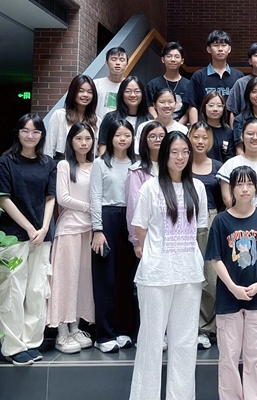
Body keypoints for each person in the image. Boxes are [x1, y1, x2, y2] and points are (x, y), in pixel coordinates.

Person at [128, 131, 207, 400]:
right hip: (156, 275)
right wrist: (156, 254)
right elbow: (140, 228)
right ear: (164, 155)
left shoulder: (198, 187)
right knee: (151, 343)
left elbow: (199, 228)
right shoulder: (150, 187)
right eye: (174, 152)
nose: (180, 157)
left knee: (185, 343)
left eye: (185, 152)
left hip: (189, 273)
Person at [205, 166, 257, 400]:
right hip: (228, 298)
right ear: (231, 189)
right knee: (228, 357)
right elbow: (216, 258)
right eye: (239, 184)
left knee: (255, 356)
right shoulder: (221, 221)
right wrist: (232, 287)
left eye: (249, 184)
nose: (245, 188)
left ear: (256, 188)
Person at [0, 113, 57, 365]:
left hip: (42, 236)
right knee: (12, 290)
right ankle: (13, 346)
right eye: (25, 131)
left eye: (36, 131)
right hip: (14, 236)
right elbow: (3, 199)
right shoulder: (6, 162)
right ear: (18, 133)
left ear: (42, 135)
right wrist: (29, 228)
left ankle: (30, 342)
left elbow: (51, 197)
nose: (30, 135)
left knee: (37, 290)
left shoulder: (48, 163)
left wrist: (44, 227)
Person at [46, 123, 95, 354]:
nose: (84, 143)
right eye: (79, 139)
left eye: (88, 138)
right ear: (71, 141)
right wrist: (89, 207)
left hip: (90, 230)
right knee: (65, 280)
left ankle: (75, 328)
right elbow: (63, 198)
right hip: (69, 229)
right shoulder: (64, 165)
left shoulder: (96, 166)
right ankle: (62, 332)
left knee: (82, 281)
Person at [90, 119, 137, 353]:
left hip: (131, 219)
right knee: (105, 279)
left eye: (127, 135)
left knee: (125, 278)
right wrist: (97, 230)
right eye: (118, 135)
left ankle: (122, 330)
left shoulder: (137, 164)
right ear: (110, 137)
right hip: (107, 219)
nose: (122, 139)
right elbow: (95, 197)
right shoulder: (100, 163)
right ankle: (104, 335)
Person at [189, 121, 224, 350]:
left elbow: (223, 201)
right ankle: (189, 327)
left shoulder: (218, 166)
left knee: (210, 278)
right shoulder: (181, 164)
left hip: (211, 220)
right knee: (188, 277)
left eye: (205, 137)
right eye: (196, 137)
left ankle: (206, 327)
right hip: (184, 220)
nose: (200, 141)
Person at [218, 118, 257, 212]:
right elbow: (227, 198)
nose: (255, 137)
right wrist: (242, 216)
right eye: (250, 134)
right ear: (242, 136)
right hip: (235, 217)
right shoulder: (230, 164)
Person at [126, 121, 167, 258]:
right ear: (144, 140)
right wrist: (136, 241)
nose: (158, 140)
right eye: (152, 136)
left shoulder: (173, 167)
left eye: (162, 136)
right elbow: (133, 207)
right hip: (147, 233)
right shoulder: (137, 171)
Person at [187, 30, 244, 125]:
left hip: (230, 129)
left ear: (229, 49)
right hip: (204, 128)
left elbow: (241, 107)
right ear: (209, 49)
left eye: (224, 45)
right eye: (216, 45)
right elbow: (193, 106)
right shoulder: (199, 76)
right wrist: (195, 129)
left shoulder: (238, 76)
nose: (220, 49)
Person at [45, 74, 100, 159]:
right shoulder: (60, 115)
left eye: (90, 92)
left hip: (87, 164)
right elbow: (49, 147)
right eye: (81, 91)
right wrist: (48, 165)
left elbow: (96, 150)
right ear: (73, 92)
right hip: (62, 161)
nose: (85, 95)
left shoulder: (96, 120)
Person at [98, 76, 152, 155]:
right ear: (121, 94)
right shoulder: (110, 118)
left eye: (137, 91)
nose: (133, 95)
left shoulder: (149, 119)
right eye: (128, 91)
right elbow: (103, 145)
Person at [134, 88, 188, 155]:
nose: (166, 105)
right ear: (154, 105)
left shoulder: (183, 129)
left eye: (170, 102)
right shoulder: (144, 127)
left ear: (175, 104)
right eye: (162, 102)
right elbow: (138, 152)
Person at [146, 42, 190, 124]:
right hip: (158, 125)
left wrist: (177, 126)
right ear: (163, 59)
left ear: (182, 61)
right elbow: (150, 106)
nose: (173, 59)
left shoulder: (189, 85)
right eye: (169, 56)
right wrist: (159, 123)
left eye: (177, 57)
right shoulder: (153, 84)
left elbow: (189, 109)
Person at [199, 91, 235, 163]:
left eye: (219, 106)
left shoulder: (228, 132)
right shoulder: (198, 130)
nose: (215, 109)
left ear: (223, 108)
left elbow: (230, 157)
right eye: (211, 105)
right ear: (204, 107)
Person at [93, 47, 129, 119]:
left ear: (127, 64)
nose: (118, 63)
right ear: (106, 63)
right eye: (113, 59)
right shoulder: (96, 84)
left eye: (122, 60)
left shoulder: (130, 86)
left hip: (123, 125)